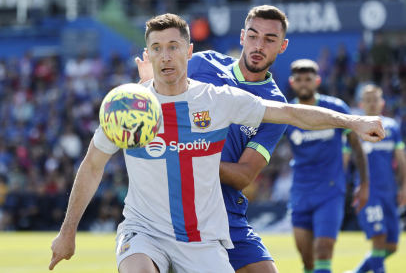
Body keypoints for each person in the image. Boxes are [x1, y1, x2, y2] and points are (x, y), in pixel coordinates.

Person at [50, 14, 384, 273]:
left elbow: (291, 113)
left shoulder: (218, 100)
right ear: (147, 56)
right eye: (156, 48)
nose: (165, 56)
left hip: (203, 239)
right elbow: (93, 165)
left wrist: (352, 121)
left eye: (173, 47)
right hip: (145, 230)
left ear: (189, 52)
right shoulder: (126, 108)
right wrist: (67, 232)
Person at [137, 5, 289, 273]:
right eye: (253, 36)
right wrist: (148, 85)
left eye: (269, 39)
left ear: (283, 46)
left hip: (225, 210)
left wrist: (189, 155)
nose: (259, 45)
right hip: (173, 204)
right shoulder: (202, 63)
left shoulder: (275, 104)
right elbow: (152, 108)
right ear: (242, 37)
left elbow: (244, 175)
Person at [285, 59, 370, 273]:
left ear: (317, 81)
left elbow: (357, 149)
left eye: (308, 79)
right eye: (299, 79)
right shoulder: (285, 113)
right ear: (292, 82)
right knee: (307, 260)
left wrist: (365, 183)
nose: (304, 84)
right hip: (300, 193)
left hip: (330, 192)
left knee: (323, 253)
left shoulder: (335, 108)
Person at [343, 85, 406, 273]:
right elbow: (345, 159)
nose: (372, 104)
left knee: (392, 245)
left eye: (375, 100)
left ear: (382, 103)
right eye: (367, 100)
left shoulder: (392, 127)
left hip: (390, 192)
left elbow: (400, 159)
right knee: (379, 238)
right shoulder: (355, 128)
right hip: (368, 193)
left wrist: (404, 185)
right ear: (361, 104)